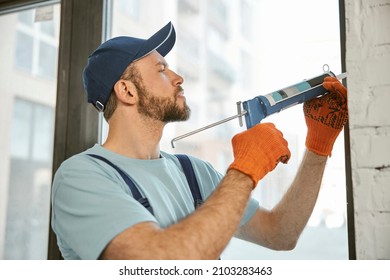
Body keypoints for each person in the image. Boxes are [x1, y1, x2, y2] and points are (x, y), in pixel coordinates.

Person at [51, 22, 348, 260]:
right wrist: (244, 171)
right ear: (127, 91)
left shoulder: (191, 172)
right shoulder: (81, 178)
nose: (179, 77)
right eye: (161, 69)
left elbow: (281, 233)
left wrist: (319, 145)